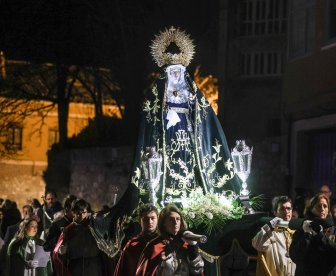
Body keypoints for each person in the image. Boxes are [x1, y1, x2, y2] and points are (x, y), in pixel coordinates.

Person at [90, 27, 241, 256]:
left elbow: (206, 118)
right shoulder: (156, 96)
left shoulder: (193, 95)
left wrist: (191, 119)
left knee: (191, 171)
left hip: (189, 146)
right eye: (173, 72)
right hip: (165, 146)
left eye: (180, 72)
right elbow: (149, 124)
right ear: (167, 73)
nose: (177, 77)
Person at [136, 204, 204, 275]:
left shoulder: (186, 243)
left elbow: (198, 272)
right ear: (163, 223)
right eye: (171, 219)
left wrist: (193, 249)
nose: (175, 222)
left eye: (178, 219)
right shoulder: (154, 246)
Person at [289, 193, 336, 276]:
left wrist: (321, 236)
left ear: (328, 210)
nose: (322, 209)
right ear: (311, 208)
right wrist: (306, 236)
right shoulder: (303, 229)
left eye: (325, 206)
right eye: (318, 206)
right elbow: (295, 256)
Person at [252, 196, 296, 276]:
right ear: (275, 212)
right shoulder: (270, 233)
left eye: (288, 208)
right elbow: (257, 244)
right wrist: (271, 224)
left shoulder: (293, 234)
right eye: (282, 209)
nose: (286, 211)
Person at [57, 199, 102, 276]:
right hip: (76, 268)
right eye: (78, 213)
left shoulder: (93, 227)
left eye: (84, 212)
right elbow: (62, 257)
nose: (82, 216)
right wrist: (62, 252)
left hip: (93, 267)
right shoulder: (68, 230)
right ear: (73, 212)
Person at [114, 203, 159, 276]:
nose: (150, 222)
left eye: (153, 218)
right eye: (145, 219)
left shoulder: (163, 241)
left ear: (158, 219)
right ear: (140, 221)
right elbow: (122, 270)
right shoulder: (132, 245)